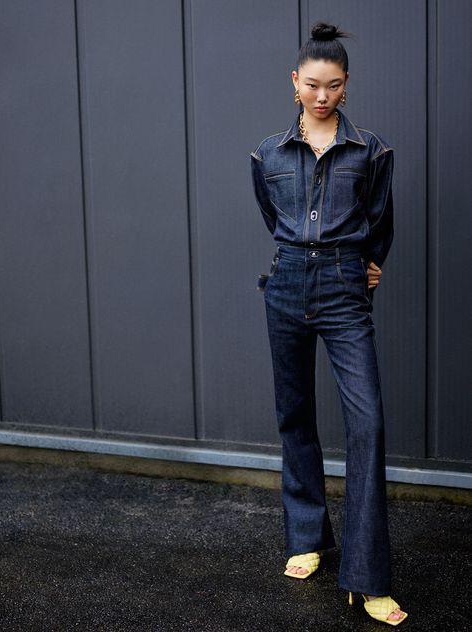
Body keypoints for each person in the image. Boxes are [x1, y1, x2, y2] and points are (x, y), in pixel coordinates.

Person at [250, 21, 408, 626]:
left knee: (366, 423)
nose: (322, 95)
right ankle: (308, 537)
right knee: (295, 415)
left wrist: (367, 264)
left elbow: (380, 220)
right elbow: (274, 216)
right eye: (312, 84)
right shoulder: (267, 153)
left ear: (346, 87)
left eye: (334, 86)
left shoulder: (371, 150)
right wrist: (303, 259)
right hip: (287, 284)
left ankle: (368, 578)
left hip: (345, 289)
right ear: (295, 83)